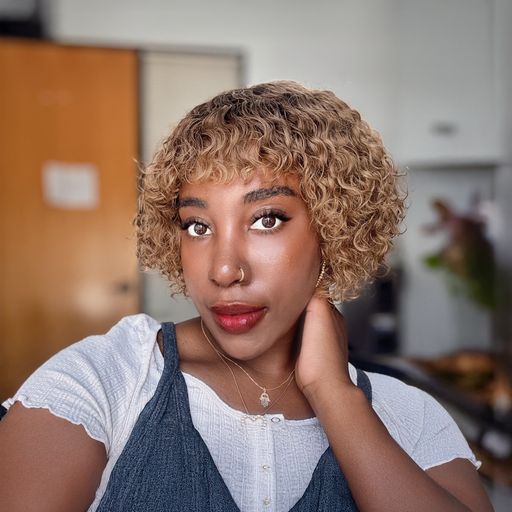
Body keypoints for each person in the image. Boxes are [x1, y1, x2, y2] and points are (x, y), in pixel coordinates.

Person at [0, 81, 493, 511]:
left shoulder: (407, 416)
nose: (224, 270)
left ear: (335, 228)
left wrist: (334, 396)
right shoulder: (102, 382)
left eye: (266, 220)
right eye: (198, 226)